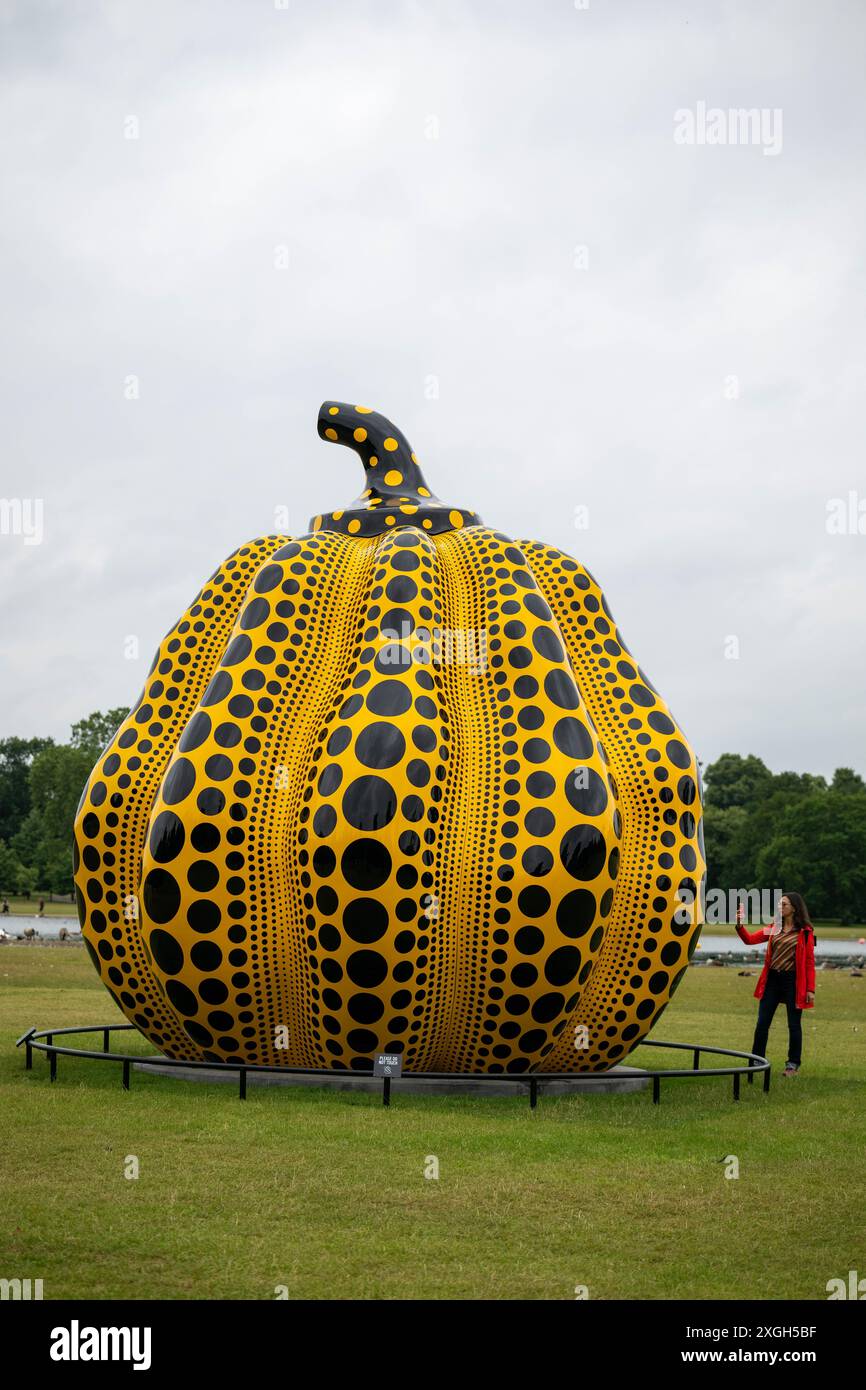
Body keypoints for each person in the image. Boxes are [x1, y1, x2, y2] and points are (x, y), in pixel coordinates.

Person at [735, 892, 815, 1077]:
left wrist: (810, 989)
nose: (780, 907)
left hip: (792, 981)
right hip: (772, 980)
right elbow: (749, 939)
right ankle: (756, 1061)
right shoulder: (774, 928)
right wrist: (739, 925)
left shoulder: (805, 932)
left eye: (784, 904)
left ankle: (792, 1065)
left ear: (794, 907)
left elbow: (809, 961)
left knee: (794, 1025)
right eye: (779, 904)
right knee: (762, 1022)